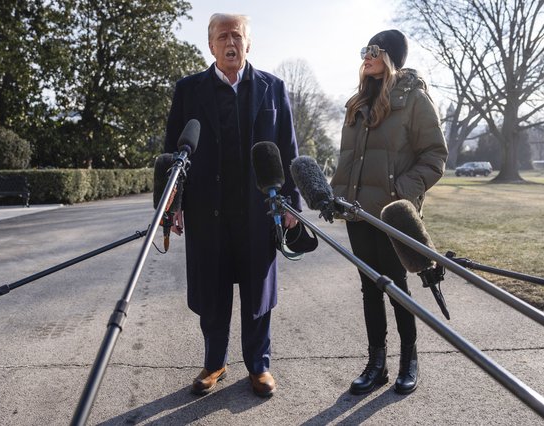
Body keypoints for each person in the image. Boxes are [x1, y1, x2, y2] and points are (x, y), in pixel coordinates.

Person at [163, 13, 301, 398]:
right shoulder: (189, 89)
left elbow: (289, 150)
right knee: (212, 292)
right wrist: (171, 204)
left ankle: (259, 366)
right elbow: (175, 151)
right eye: (222, 36)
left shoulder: (273, 88)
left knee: (258, 294)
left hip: (260, 212)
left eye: (237, 36)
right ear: (210, 44)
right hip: (208, 210)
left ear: (248, 43)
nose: (230, 42)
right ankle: (214, 363)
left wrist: (292, 204)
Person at [330, 29, 448, 395]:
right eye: (364, 50)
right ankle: (376, 363)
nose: (366, 56)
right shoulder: (356, 103)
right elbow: (348, 160)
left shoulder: (415, 99)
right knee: (370, 287)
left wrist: (402, 192)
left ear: (391, 57)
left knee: (397, 286)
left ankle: (408, 358)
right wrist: (336, 197)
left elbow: (435, 156)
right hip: (358, 212)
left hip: (394, 215)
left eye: (374, 51)